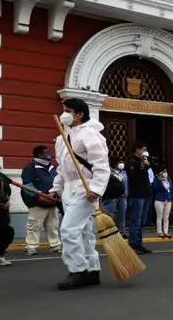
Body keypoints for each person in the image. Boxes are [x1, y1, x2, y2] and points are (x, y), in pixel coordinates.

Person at [51, 98, 110, 290]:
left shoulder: (90, 135)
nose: (63, 114)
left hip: (86, 188)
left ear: (79, 114)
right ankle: (92, 270)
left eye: (68, 110)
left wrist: (96, 189)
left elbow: (101, 165)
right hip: (70, 187)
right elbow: (62, 169)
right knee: (84, 231)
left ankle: (78, 270)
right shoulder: (61, 138)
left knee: (68, 229)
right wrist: (56, 188)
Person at [21, 144, 62, 255]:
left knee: (53, 225)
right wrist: (38, 196)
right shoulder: (30, 167)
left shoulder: (52, 167)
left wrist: (56, 194)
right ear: (40, 154)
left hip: (53, 202)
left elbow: (59, 182)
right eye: (47, 152)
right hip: (38, 202)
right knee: (34, 225)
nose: (50, 154)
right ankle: (32, 246)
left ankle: (55, 245)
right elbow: (27, 184)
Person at [124, 142, 153, 254]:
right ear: (137, 150)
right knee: (135, 220)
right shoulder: (132, 162)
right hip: (137, 195)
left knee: (142, 221)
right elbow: (134, 178)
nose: (144, 151)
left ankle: (139, 243)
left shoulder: (143, 161)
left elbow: (151, 169)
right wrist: (142, 168)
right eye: (143, 149)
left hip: (145, 194)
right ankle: (132, 244)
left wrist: (147, 164)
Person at [102, 159, 129, 240]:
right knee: (110, 215)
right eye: (119, 162)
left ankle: (122, 232)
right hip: (112, 197)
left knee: (122, 215)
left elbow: (127, 183)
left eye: (122, 162)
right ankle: (108, 233)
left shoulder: (124, 173)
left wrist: (127, 191)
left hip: (123, 197)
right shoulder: (108, 173)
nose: (121, 164)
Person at [152, 166, 173, 239]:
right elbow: (156, 188)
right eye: (163, 171)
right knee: (160, 217)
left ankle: (166, 231)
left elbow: (171, 189)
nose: (165, 173)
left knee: (166, 217)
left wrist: (172, 198)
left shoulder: (168, 179)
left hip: (168, 200)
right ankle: (160, 232)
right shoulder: (156, 179)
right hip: (159, 200)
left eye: (166, 171)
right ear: (160, 173)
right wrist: (159, 179)